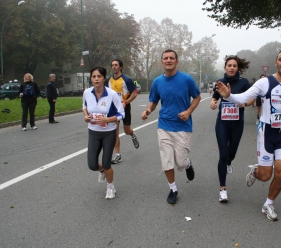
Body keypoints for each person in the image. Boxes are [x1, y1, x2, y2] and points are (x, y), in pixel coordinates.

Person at [216, 49, 281, 221]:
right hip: (266, 133)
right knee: (265, 175)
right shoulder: (264, 84)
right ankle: (256, 172)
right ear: (276, 63)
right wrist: (229, 96)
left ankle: (268, 204)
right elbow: (243, 97)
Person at [141, 49, 201, 205]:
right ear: (162, 61)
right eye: (165, 58)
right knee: (166, 161)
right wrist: (148, 110)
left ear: (176, 61)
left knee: (180, 162)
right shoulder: (157, 82)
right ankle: (173, 189)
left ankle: (187, 164)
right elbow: (153, 101)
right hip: (164, 126)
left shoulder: (186, 80)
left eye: (171, 58)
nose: (168, 60)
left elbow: (197, 97)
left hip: (183, 127)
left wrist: (188, 111)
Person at [210, 56, 251, 202]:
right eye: (229, 65)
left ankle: (229, 162)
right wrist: (213, 103)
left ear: (238, 68)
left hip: (237, 123)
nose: (232, 68)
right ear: (225, 67)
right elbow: (215, 97)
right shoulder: (219, 83)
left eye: (234, 65)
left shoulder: (244, 82)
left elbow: (252, 99)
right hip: (222, 122)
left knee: (231, 153)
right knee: (223, 153)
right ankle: (223, 189)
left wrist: (244, 104)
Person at [83, 66, 125, 199]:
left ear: (104, 78)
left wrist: (107, 119)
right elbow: (84, 106)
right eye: (94, 77)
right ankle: (101, 170)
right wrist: (86, 116)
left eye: (99, 76)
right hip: (94, 132)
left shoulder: (112, 94)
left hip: (109, 132)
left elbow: (121, 114)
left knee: (107, 163)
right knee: (92, 165)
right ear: (91, 79)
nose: (96, 79)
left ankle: (110, 186)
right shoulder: (87, 93)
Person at [105, 59, 139, 164]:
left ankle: (133, 135)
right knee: (115, 131)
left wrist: (126, 102)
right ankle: (118, 155)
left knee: (127, 131)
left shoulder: (126, 79)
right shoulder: (108, 80)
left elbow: (135, 92)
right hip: (114, 108)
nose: (114, 67)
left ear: (121, 67)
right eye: (112, 65)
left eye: (116, 65)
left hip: (125, 106)